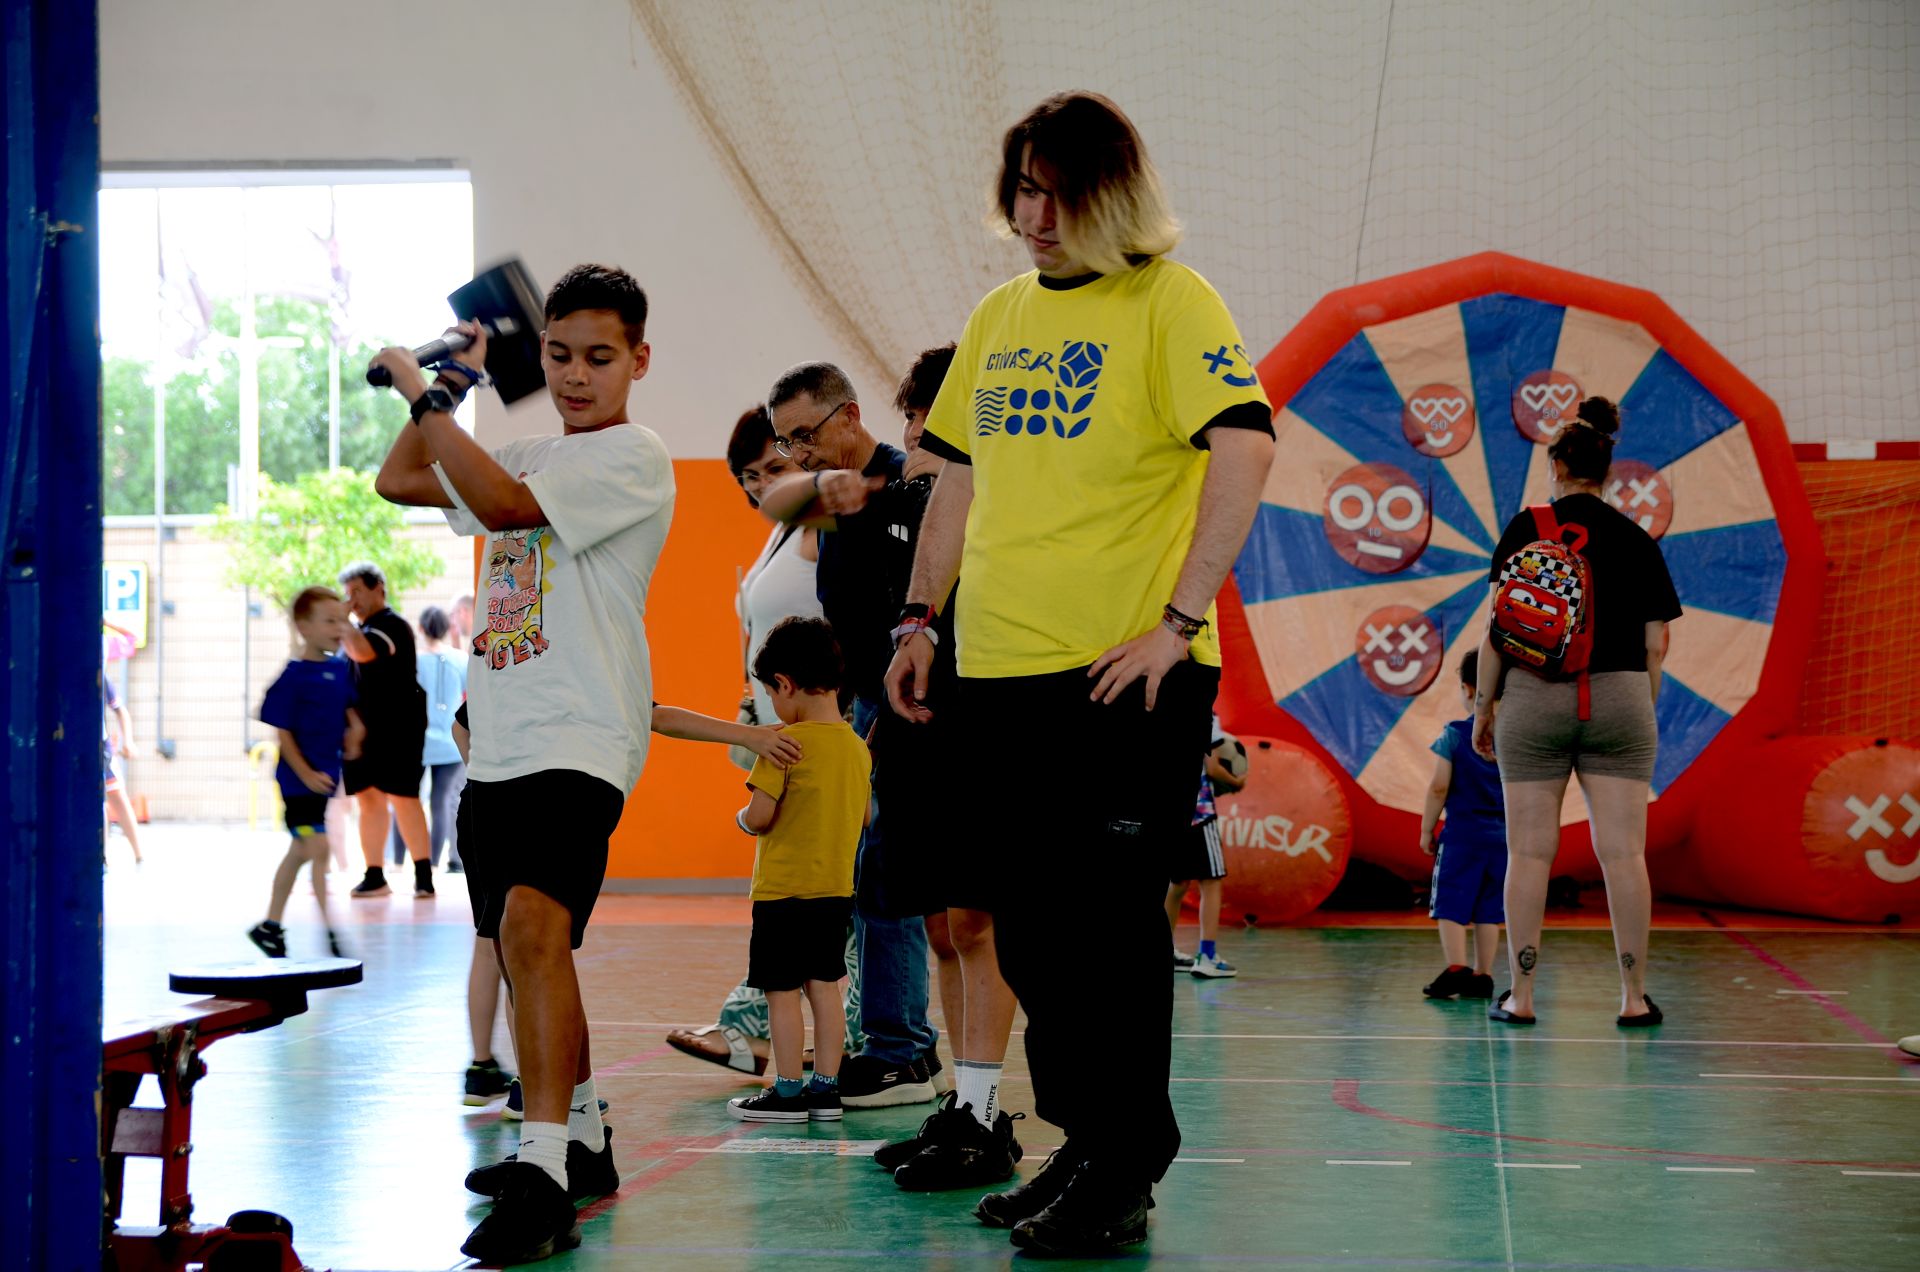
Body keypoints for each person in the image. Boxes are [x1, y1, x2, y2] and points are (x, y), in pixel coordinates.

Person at [885, 91, 1274, 1255]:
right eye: (1023, 189)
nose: (1034, 214)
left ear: (1113, 195)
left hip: (1120, 680)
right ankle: (1083, 1145)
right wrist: (919, 618)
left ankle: (1124, 1165)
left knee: (1106, 931)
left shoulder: (1170, 300)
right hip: (995, 670)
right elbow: (955, 479)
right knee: (1034, 933)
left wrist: (1177, 620)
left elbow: (1246, 444)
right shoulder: (1001, 315)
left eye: (1057, 192)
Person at [371, 263, 674, 1262]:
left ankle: (542, 1174)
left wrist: (422, 390)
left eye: (599, 357)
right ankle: (579, 1141)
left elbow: (501, 506)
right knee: (525, 947)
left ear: (638, 360)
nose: (578, 375)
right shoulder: (533, 443)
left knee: (534, 929)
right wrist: (450, 387)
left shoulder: (634, 456)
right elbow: (404, 478)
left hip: (581, 737)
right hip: (499, 742)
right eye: (558, 355)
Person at [758, 362, 942, 1110]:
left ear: (850, 415)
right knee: (870, 876)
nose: (800, 451)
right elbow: (773, 498)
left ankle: (899, 1047)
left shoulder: (906, 481)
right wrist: (808, 488)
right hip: (862, 708)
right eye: (786, 440)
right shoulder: (826, 496)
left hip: (911, 703)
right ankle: (902, 1043)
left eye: (807, 434)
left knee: (889, 878)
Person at [869, 343, 1031, 1192]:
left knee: (977, 921)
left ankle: (986, 1109)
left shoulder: (998, 492)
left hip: (978, 714)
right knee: (939, 925)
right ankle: (965, 1105)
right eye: (910, 420)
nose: (913, 437)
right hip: (910, 722)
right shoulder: (897, 499)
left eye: (924, 419)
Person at [665, 404, 868, 1075]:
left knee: (817, 895)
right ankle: (759, 1031)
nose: (760, 486)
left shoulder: (819, 529)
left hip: (813, 733)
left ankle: (805, 1036)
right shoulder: (778, 537)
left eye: (774, 468)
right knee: (797, 896)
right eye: (749, 475)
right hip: (772, 726)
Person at [1475, 396, 1681, 1028]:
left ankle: (1523, 995)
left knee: (1530, 853)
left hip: (1536, 697)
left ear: (1558, 463)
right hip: (1619, 696)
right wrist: (1635, 711)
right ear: (1607, 469)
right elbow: (1656, 645)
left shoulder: (1526, 527)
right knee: (1623, 855)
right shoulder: (1639, 539)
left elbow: (1497, 631)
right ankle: (1634, 997)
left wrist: (1485, 709)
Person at [726, 618, 869, 1123]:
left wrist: (743, 820)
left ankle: (788, 1092)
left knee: (781, 993)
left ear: (784, 684)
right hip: (834, 891)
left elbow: (761, 816)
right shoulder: (856, 749)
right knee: (825, 988)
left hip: (783, 892)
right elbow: (865, 814)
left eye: (770, 693)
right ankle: (826, 1090)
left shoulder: (782, 744)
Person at [249, 587, 364, 959]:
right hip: (298, 786)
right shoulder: (294, 676)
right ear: (304, 627)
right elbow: (282, 732)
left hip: (324, 780)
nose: (338, 628)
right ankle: (330, 930)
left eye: (342, 621)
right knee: (317, 847)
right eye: (329, 621)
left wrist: (356, 731)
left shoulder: (337, 670)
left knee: (302, 852)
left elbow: (347, 708)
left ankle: (271, 925)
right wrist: (305, 773)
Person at [336, 562, 434, 900]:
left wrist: (342, 619)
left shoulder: (392, 626)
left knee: (404, 797)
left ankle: (423, 876)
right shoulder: (353, 632)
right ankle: (374, 875)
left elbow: (363, 652)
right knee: (368, 800)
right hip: (361, 734)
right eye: (347, 596)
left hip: (399, 731)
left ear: (378, 587)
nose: (352, 602)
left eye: (357, 593)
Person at [1418, 651, 1505, 1000]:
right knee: (1489, 908)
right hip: (1503, 838)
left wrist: (1427, 828)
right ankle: (1483, 975)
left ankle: (1456, 967)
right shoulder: (1512, 736)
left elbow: (1439, 786)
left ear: (1470, 689)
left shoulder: (1455, 734)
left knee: (1451, 902)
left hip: (1461, 837)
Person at [387, 605, 467, 869]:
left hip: (415, 744)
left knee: (407, 801)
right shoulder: (461, 659)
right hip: (451, 745)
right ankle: (432, 864)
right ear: (446, 629)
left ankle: (399, 861)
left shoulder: (412, 661)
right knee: (441, 802)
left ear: (420, 628)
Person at [1168, 715, 1245, 978]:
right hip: (1200, 815)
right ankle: (1208, 956)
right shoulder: (1205, 716)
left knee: (1177, 884)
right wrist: (1236, 782)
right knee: (1211, 883)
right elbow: (1211, 767)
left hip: (1172, 816)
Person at [101, 674, 144, 865]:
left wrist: (128, 740)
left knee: (117, 797)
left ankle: (139, 854)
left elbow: (120, 710)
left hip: (101, 747)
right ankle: (102, 857)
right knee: (100, 802)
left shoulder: (101, 677)